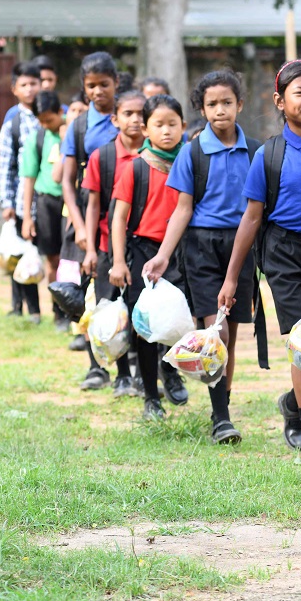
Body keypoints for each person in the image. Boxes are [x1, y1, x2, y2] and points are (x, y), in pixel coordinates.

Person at [217, 59, 301, 462]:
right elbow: (251, 218)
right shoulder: (269, 155)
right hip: (283, 254)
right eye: (299, 92)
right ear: (279, 101)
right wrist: (233, 279)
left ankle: (293, 401)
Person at [143, 70, 261, 445]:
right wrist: (163, 255)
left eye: (227, 102)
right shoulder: (192, 153)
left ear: (239, 105)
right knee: (217, 330)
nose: (220, 110)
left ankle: (219, 407)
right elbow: (181, 210)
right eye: (212, 104)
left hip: (242, 248)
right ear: (202, 108)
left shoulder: (256, 151)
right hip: (201, 247)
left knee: (233, 333)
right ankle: (222, 418)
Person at [108, 95, 188, 421]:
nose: (166, 131)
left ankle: (171, 372)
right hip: (143, 253)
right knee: (145, 328)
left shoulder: (189, 163)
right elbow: (118, 218)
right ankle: (151, 398)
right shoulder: (135, 167)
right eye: (158, 124)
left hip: (182, 252)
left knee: (179, 320)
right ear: (145, 129)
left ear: (183, 126)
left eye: (173, 124)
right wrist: (117, 261)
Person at [60, 52, 121, 389]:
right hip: (86, 212)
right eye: (91, 86)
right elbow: (68, 181)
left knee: (119, 287)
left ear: (116, 83)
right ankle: (95, 365)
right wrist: (80, 226)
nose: (98, 91)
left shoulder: (127, 116)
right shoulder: (80, 125)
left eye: (104, 85)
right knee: (86, 289)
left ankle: (132, 365)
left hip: (125, 211)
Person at [80, 89, 146, 398]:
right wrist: (91, 248)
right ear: (115, 119)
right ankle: (120, 375)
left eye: (141, 113)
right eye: (129, 114)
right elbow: (93, 205)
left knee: (140, 309)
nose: (135, 120)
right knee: (112, 310)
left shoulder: (155, 155)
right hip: (108, 244)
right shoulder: (102, 157)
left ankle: (147, 374)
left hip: (147, 245)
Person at [0, 60, 42, 323]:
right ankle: (28, 308)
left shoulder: (48, 115)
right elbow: (6, 165)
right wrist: (7, 201)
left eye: (33, 84)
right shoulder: (13, 122)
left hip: (46, 200)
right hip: (20, 202)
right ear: (15, 89)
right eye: (23, 85)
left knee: (41, 254)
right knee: (20, 254)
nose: (29, 89)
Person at [20, 90, 68, 329]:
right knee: (53, 259)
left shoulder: (72, 132)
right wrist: (27, 216)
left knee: (70, 259)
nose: (44, 124)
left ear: (61, 112)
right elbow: (28, 179)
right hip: (46, 202)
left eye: (49, 119)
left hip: (70, 203)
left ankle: (74, 310)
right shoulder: (36, 138)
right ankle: (58, 311)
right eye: (40, 120)